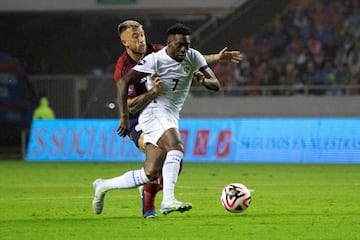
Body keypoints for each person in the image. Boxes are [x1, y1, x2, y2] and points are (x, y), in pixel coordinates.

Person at [92, 20, 241, 218]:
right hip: (143, 113)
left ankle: (104, 186)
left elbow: (196, 64)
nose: (141, 39)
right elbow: (126, 94)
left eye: (142, 34)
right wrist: (125, 117)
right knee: (175, 148)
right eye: (135, 36)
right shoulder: (133, 64)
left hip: (169, 113)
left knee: (151, 171)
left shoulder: (170, 51)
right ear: (124, 42)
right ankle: (164, 201)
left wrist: (212, 64)